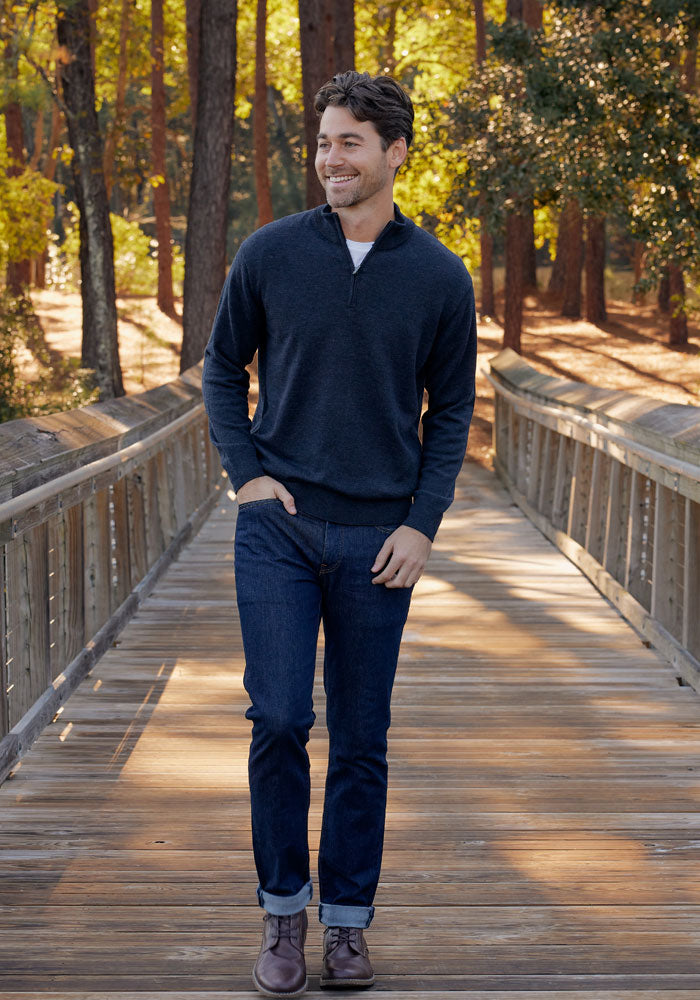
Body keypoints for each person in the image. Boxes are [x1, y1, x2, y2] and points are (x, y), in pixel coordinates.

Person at [202, 70, 477, 997]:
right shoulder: (272, 253)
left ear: (395, 152)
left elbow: (452, 416)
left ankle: (348, 926)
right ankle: (284, 910)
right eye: (323, 142)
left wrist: (424, 526)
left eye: (350, 143)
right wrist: (248, 478)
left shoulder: (439, 274)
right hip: (276, 530)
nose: (330, 160)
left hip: (378, 543)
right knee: (279, 719)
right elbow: (218, 368)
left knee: (363, 738)